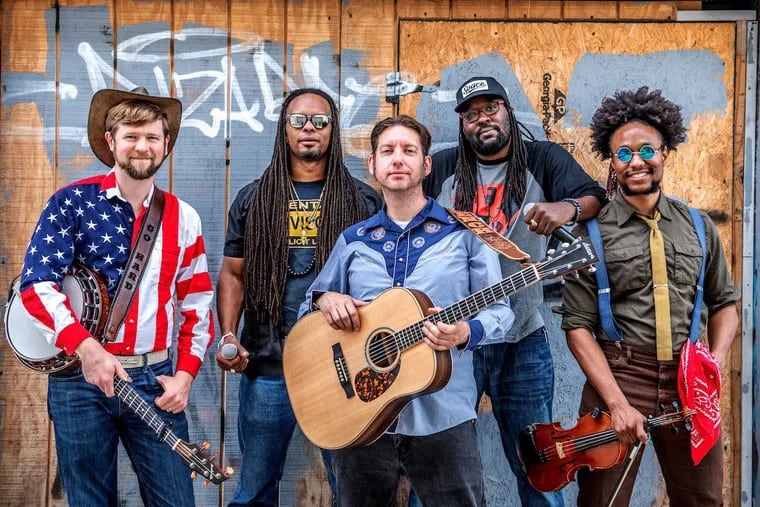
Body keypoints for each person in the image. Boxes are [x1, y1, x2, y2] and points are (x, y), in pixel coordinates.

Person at [298, 115, 512, 506]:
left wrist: (465, 331)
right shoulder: (353, 241)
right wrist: (326, 300)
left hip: (443, 414)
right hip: (360, 416)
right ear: (374, 166)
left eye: (409, 151)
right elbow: (307, 311)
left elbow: (501, 311)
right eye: (388, 151)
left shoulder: (466, 233)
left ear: (426, 165)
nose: (398, 159)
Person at [18, 87, 215, 506]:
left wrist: (185, 376)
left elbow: (197, 303)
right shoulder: (70, 203)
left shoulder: (184, 217)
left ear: (166, 144)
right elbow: (36, 286)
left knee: (177, 500)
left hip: (153, 380)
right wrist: (86, 348)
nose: (142, 146)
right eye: (131, 136)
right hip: (79, 381)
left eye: (152, 137)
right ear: (111, 141)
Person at [423, 76, 606, 506]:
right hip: (452, 344)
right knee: (438, 464)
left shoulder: (542, 158)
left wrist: (567, 208)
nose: (482, 119)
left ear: (507, 111)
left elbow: (593, 196)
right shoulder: (445, 167)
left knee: (539, 468)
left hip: (522, 338)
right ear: (463, 124)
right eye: (471, 114)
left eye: (491, 109)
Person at [561, 86, 739, 505]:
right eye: (623, 154)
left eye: (646, 151)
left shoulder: (698, 226)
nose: (636, 161)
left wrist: (714, 363)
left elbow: (725, 303)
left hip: (688, 380)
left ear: (665, 153)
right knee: (601, 500)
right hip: (620, 377)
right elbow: (577, 328)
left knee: (702, 499)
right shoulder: (591, 234)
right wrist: (617, 404)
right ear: (612, 162)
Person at [215, 88, 382, 507]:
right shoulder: (254, 199)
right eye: (299, 121)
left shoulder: (362, 201)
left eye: (320, 121)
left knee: (355, 490)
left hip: (340, 365)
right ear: (284, 129)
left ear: (333, 130)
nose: (309, 129)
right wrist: (228, 335)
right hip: (268, 364)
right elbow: (233, 274)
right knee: (254, 491)